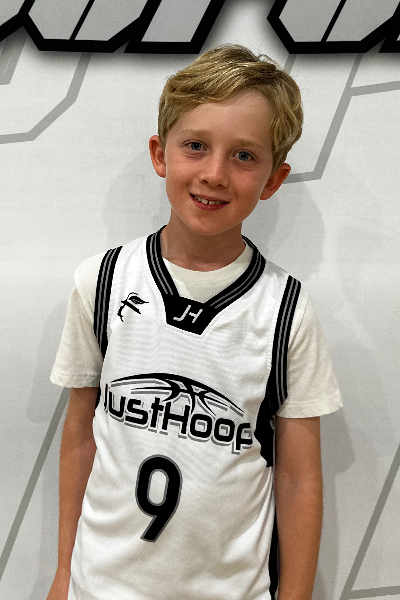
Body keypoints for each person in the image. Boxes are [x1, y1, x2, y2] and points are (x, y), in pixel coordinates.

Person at [47, 44, 342, 600]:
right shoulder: (102, 281)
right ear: (160, 154)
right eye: (196, 146)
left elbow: (299, 476)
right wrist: (65, 571)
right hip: (99, 588)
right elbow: (81, 435)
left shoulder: (285, 309)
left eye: (244, 156)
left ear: (273, 179)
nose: (214, 174)